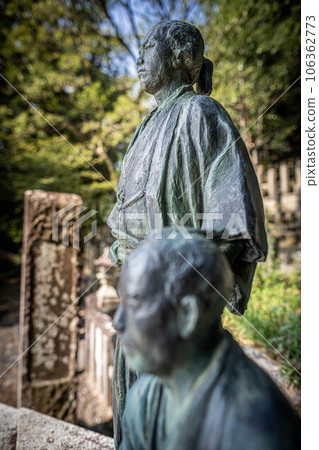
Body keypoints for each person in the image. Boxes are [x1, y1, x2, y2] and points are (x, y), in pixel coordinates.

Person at [107, 20, 268, 446]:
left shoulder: (200, 113)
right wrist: (123, 248)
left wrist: (179, 267)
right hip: (138, 304)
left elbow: (234, 219)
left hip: (174, 311)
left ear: (179, 55)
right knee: (132, 419)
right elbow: (124, 211)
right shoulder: (145, 127)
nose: (138, 59)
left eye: (147, 47)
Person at [114, 231, 300, 450]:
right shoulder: (144, 398)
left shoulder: (260, 427)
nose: (118, 322)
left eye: (134, 304)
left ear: (187, 315)